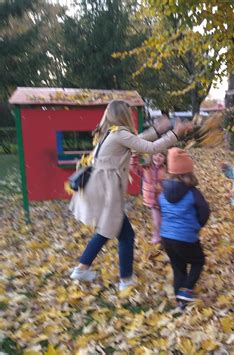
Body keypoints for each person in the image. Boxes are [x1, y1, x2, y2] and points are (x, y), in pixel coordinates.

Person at [69, 100, 192, 291]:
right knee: (124, 234)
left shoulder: (111, 132)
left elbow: (137, 140)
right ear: (123, 115)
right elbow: (149, 148)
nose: (131, 114)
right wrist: (175, 133)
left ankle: (83, 268)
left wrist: (158, 130)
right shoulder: (119, 133)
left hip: (100, 187)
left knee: (107, 231)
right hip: (106, 190)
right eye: (129, 112)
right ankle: (124, 280)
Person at [159, 148, 210, 308]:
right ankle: (186, 290)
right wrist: (196, 226)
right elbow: (204, 212)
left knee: (178, 266)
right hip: (186, 236)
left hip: (167, 237)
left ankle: (180, 302)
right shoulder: (193, 193)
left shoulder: (163, 193)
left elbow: (163, 211)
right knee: (198, 261)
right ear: (188, 173)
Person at [130, 151, 166, 244]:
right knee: (157, 220)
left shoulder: (166, 170)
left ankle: (166, 237)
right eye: (155, 154)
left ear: (165, 158)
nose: (157, 157)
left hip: (164, 199)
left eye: (161, 155)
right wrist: (134, 155)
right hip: (153, 201)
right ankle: (157, 238)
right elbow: (134, 168)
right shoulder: (146, 168)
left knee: (164, 219)